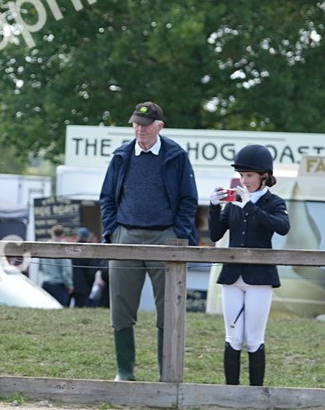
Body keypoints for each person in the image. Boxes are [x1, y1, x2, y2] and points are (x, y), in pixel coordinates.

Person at [99, 100, 198, 381]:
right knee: (120, 306)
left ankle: (166, 375)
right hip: (125, 236)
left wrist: (177, 234)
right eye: (135, 124)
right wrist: (112, 232)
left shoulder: (176, 156)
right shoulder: (121, 155)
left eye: (145, 125)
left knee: (169, 308)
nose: (139, 129)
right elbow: (107, 197)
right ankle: (124, 372)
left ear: (159, 127)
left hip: (165, 236)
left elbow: (189, 199)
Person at [208, 144, 289, 387]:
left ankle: (256, 393)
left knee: (254, 338)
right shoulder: (234, 202)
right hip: (232, 276)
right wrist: (213, 207)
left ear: (264, 176)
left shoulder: (274, 202)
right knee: (233, 337)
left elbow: (282, 226)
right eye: (242, 176)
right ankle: (231, 391)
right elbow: (215, 234)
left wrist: (251, 207)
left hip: (260, 278)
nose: (244, 180)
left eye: (249, 176)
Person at [37, 223, 74, 306]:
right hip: (59, 285)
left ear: (51, 233)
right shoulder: (63, 249)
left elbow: (39, 267)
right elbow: (66, 271)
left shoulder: (44, 247)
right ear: (63, 235)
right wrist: (69, 285)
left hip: (46, 283)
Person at [70, 227, 102, 308]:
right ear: (86, 237)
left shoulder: (71, 250)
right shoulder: (88, 250)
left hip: (73, 286)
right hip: (85, 287)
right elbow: (91, 271)